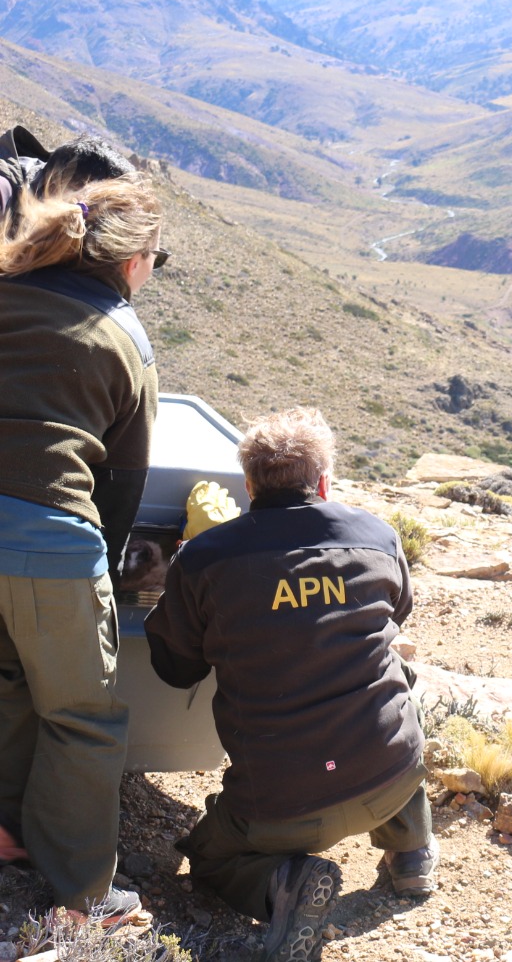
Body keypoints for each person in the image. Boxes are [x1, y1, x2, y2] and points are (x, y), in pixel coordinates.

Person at [144, 407, 435, 962]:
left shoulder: (206, 557)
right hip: (393, 773)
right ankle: (412, 853)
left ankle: (289, 883)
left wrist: (198, 566)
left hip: (282, 807)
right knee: (390, 683)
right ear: (323, 479)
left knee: (209, 857)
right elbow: (398, 612)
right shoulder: (377, 535)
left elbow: (175, 668)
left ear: (248, 485)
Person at [0, 161, 164, 923]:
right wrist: (115, 578)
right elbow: (122, 486)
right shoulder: (124, 335)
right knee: (81, 717)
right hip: (48, 543)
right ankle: (84, 897)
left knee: (6, 691)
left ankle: (9, 835)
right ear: (132, 261)